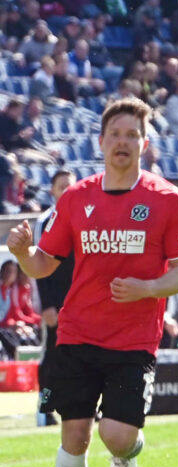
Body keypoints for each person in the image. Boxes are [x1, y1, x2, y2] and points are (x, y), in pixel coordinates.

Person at [4, 96, 178, 467]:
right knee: (74, 434)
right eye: (115, 135)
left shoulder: (168, 200)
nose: (123, 142)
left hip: (134, 339)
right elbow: (44, 265)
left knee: (116, 435)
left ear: (145, 144)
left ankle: (128, 450)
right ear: (101, 141)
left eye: (132, 135)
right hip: (77, 333)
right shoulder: (75, 198)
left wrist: (148, 289)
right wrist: (22, 254)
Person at [34, 169, 76, 426]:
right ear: (52, 190)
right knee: (52, 357)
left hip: (81, 301)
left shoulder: (85, 216)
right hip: (56, 303)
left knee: (85, 356)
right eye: (62, 187)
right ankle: (45, 409)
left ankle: (83, 407)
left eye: (70, 186)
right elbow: (39, 265)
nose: (66, 191)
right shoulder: (46, 220)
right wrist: (47, 304)